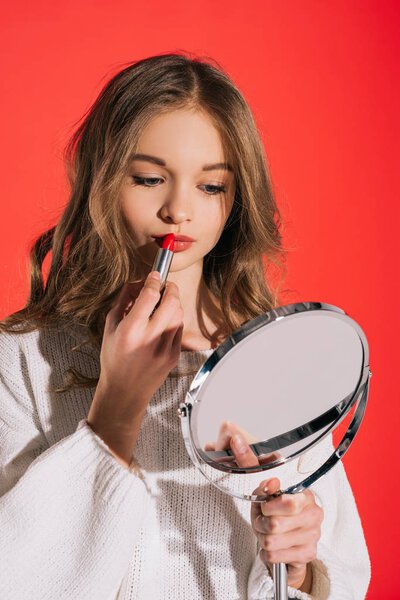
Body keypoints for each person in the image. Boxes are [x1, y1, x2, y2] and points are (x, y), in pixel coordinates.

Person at [0, 53, 370, 599]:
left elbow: (338, 573)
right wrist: (117, 407)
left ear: (235, 200)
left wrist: (300, 568)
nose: (179, 209)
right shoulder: (25, 360)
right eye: (150, 178)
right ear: (102, 181)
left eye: (211, 187)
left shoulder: (275, 358)